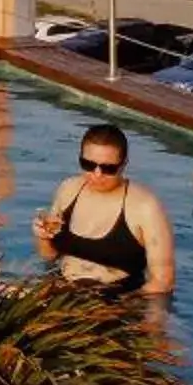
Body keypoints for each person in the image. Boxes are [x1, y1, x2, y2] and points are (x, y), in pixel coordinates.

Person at [32, 123, 177, 296]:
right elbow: (49, 256)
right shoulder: (68, 189)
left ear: (124, 165)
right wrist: (42, 236)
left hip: (111, 300)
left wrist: (120, 305)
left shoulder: (144, 206)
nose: (97, 174)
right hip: (60, 289)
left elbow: (163, 282)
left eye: (108, 168)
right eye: (88, 164)